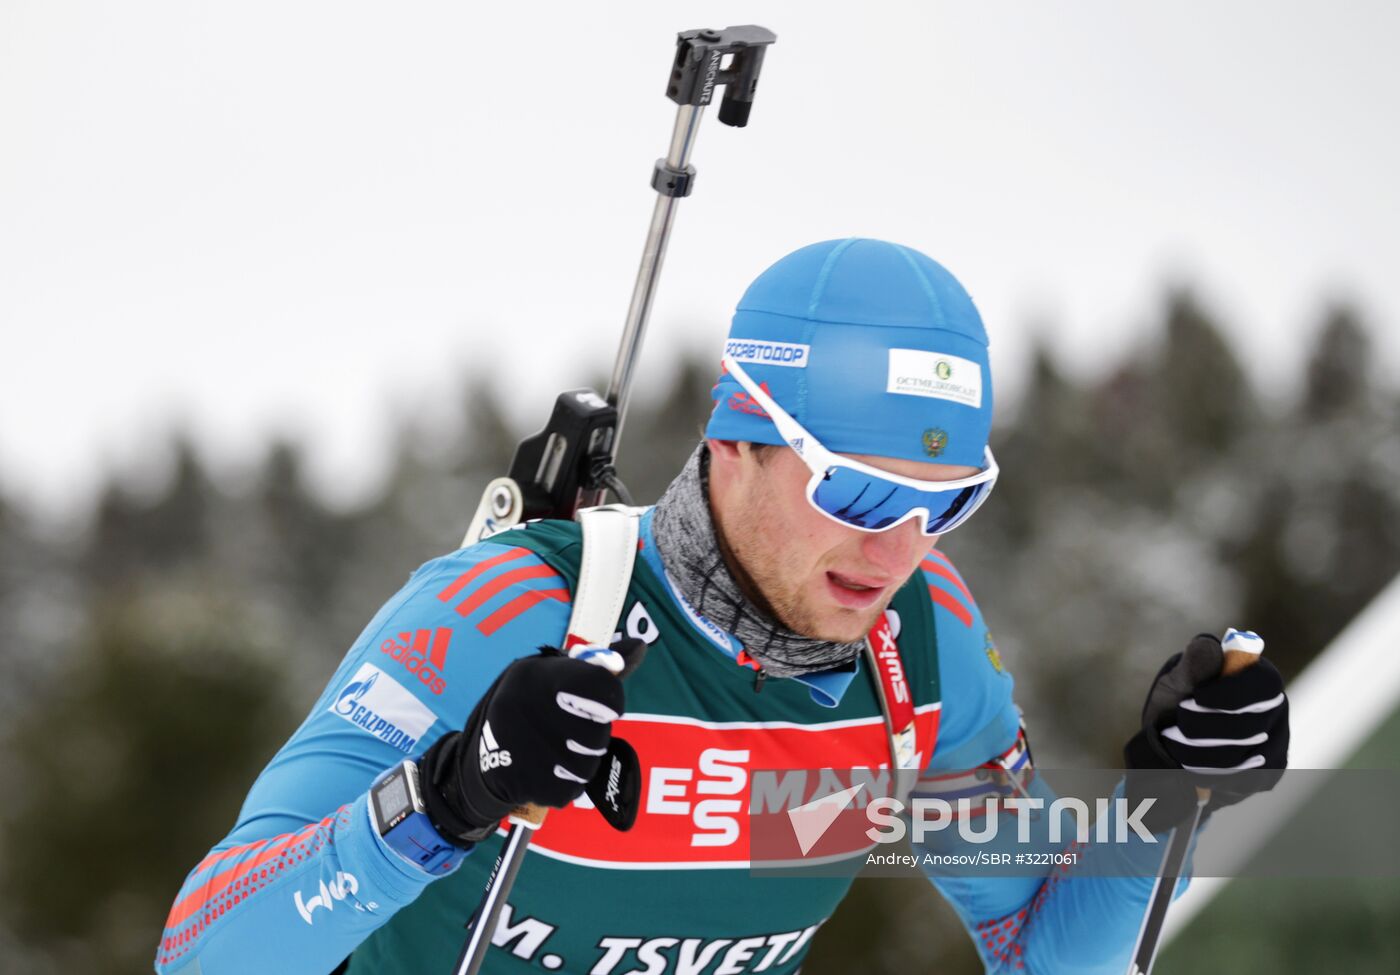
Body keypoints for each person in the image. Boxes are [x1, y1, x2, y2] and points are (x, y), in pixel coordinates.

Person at [155, 239, 1289, 974]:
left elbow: (1041, 949)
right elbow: (205, 953)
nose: (893, 547)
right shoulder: (515, 610)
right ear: (738, 440)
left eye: (945, 504)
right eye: (854, 488)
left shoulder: (917, 649)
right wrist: (450, 796)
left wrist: (1168, 801)